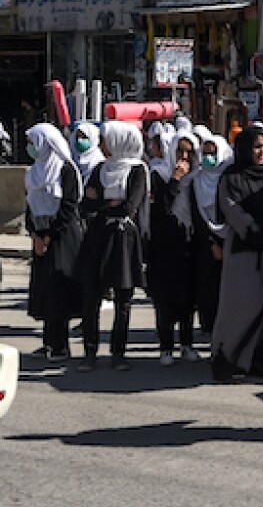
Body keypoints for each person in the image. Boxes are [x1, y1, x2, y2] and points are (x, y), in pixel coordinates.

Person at [212, 127, 263, 382]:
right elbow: (235, 214)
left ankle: (259, 359)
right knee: (240, 308)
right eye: (257, 147)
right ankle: (227, 360)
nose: (262, 152)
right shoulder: (231, 178)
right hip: (245, 255)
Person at [77, 123, 149, 371]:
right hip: (97, 237)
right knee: (91, 296)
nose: (102, 146)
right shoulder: (101, 168)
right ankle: (89, 351)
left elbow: (129, 206)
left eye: (106, 140)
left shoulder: (137, 170)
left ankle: (118, 352)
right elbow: (85, 205)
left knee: (122, 297)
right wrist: (109, 203)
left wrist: (102, 202)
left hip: (122, 239)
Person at [24, 124, 85, 363]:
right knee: (45, 290)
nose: (30, 147)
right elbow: (29, 206)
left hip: (62, 237)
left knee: (60, 290)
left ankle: (61, 346)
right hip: (41, 237)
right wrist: (35, 234)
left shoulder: (65, 169)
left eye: (33, 142)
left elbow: (69, 205)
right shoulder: (34, 172)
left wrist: (50, 234)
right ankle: (49, 341)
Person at [148, 128, 200, 366]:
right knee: (165, 298)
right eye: (180, 151)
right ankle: (166, 346)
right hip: (164, 244)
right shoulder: (160, 174)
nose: (184, 157)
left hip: (188, 243)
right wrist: (175, 180)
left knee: (187, 298)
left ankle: (186, 344)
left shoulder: (196, 179)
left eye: (189, 153)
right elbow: (160, 208)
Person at [191, 133, 232, 337]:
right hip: (206, 243)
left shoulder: (230, 179)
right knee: (208, 288)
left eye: (213, 153)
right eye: (205, 153)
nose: (209, 158)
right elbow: (196, 215)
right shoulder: (197, 180)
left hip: (231, 240)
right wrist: (211, 242)